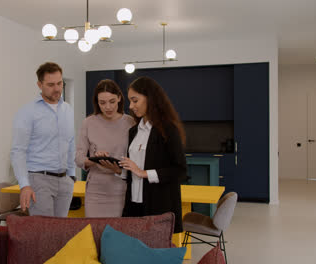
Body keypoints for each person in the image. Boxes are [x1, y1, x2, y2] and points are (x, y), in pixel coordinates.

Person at [119, 76, 187, 233]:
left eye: (135, 100)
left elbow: (180, 170)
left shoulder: (168, 129)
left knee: (154, 253)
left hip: (158, 204)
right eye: (130, 101)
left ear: (150, 98)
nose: (131, 106)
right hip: (133, 204)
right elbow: (133, 169)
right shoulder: (133, 131)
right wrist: (118, 168)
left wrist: (143, 173)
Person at [10, 62, 76, 217]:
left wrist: (72, 174)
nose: (57, 88)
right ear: (39, 85)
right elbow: (18, 151)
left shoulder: (67, 110)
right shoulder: (27, 112)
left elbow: (71, 142)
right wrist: (24, 185)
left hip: (65, 180)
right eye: (51, 84)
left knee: (61, 231)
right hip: (39, 180)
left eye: (60, 83)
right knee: (44, 233)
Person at [75, 79, 135, 217]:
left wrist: (119, 169)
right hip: (95, 190)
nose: (108, 107)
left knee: (118, 234)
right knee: (94, 233)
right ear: (97, 102)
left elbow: (137, 161)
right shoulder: (88, 123)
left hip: (121, 189)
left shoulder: (130, 123)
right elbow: (78, 158)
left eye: (112, 101)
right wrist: (94, 160)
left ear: (119, 98)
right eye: (102, 103)